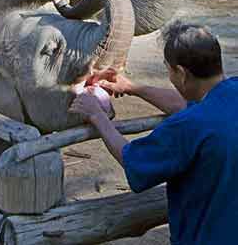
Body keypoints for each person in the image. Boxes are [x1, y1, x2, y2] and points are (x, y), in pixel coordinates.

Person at [70, 20, 238, 245]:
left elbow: (133, 160)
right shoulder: (230, 93)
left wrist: (96, 116)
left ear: (181, 72)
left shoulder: (187, 127)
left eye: (168, 69)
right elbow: (189, 104)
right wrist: (133, 88)